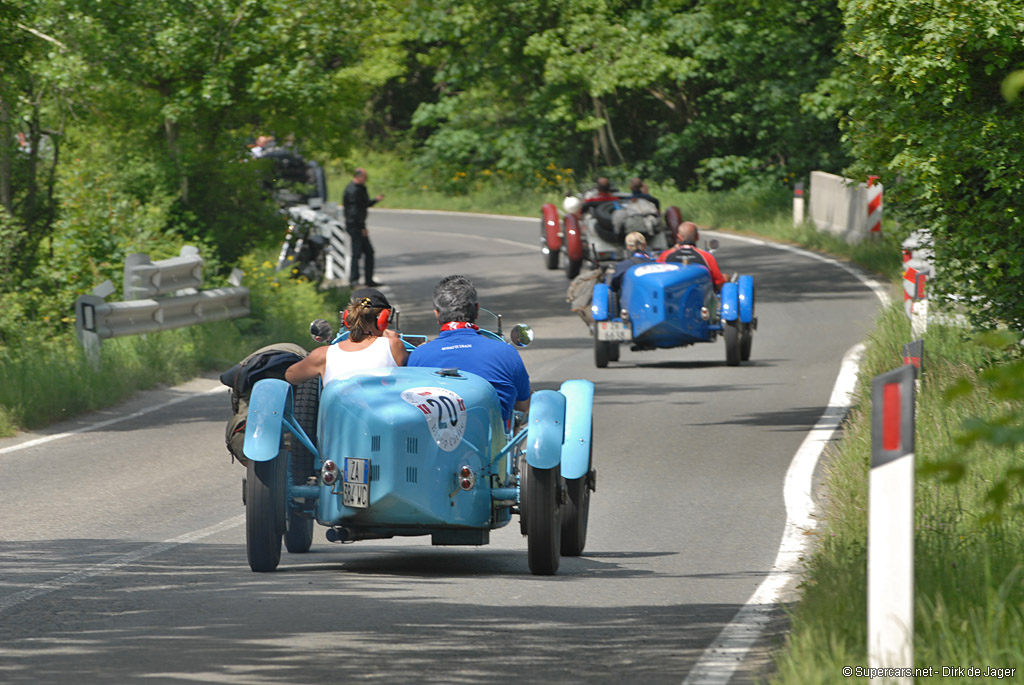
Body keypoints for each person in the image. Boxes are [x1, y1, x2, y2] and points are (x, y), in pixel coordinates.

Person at [407, 275, 530, 426]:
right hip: (494, 446)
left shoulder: (418, 356)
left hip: (439, 446)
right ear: (477, 310)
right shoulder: (506, 352)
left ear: (437, 315)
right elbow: (523, 406)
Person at [285, 288, 408, 385]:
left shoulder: (322, 355)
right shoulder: (393, 345)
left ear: (347, 317)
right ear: (384, 318)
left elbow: (291, 376)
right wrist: (394, 338)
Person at [343, 168, 385, 287]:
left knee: (369, 252)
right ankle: (353, 280)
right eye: (365, 177)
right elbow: (353, 212)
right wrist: (361, 227)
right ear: (358, 176)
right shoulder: (352, 190)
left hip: (359, 224)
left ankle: (368, 279)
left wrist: (376, 200)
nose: (366, 179)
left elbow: (364, 204)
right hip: (355, 225)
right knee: (357, 253)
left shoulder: (360, 188)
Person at [657, 221, 727, 292]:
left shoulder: (665, 255)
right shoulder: (706, 257)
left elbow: (656, 277)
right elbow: (719, 284)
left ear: (678, 237)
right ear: (697, 237)